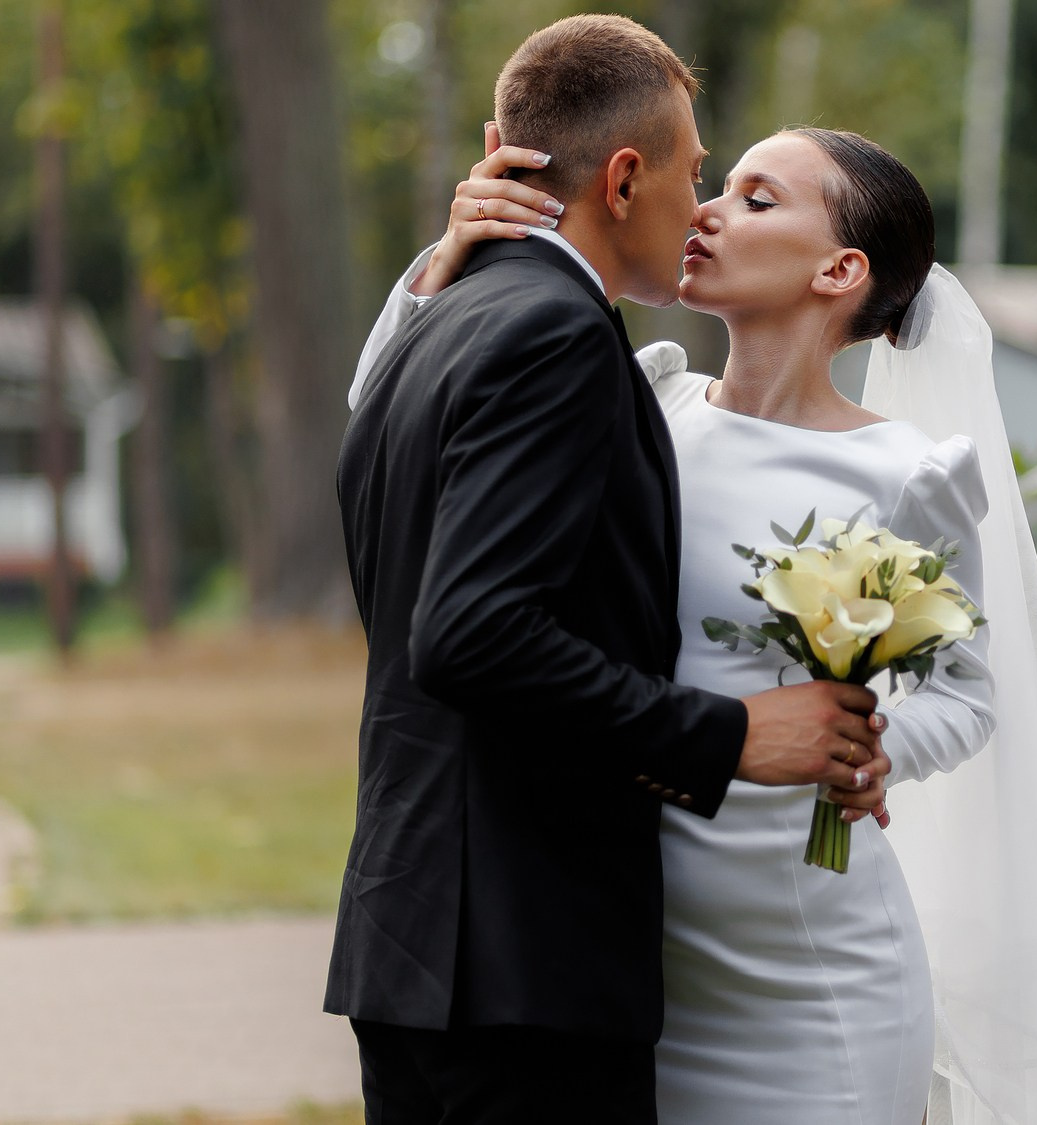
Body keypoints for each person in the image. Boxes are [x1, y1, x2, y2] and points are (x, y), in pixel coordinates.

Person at [352, 107, 1037, 1124]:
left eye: (754, 198)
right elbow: (396, 426)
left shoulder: (904, 475)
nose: (703, 210)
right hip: (622, 950)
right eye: (716, 184)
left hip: (805, 974)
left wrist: (870, 747)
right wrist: (445, 263)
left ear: (838, 272)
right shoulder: (642, 403)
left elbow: (962, 691)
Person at [326, 16, 895, 1125]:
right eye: (693, 175)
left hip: (424, 944)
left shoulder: (431, 331)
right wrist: (730, 736)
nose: (701, 208)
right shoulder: (556, 338)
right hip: (519, 965)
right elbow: (470, 634)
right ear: (624, 178)